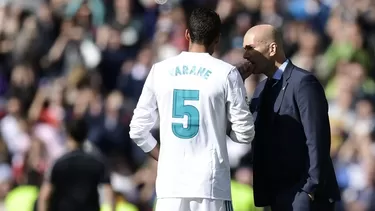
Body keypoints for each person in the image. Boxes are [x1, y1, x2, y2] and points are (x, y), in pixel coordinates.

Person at [129, 7, 255, 211]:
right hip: (211, 187)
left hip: (170, 187)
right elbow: (245, 135)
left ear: (187, 34)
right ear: (218, 38)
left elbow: (137, 130)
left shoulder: (159, 71)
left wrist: (166, 159)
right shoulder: (228, 74)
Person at [237, 24, 341, 211]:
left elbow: (317, 140)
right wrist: (236, 85)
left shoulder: (303, 83)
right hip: (275, 196)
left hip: (304, 197)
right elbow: (246, 129)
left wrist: (309, 189)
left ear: (272, 49)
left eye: (250, 48)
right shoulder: (261, 89)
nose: (245, 56)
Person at [37, 118, 115, 211]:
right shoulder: (98, 162)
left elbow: (44, 196)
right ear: (86, 135)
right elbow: (109, 195)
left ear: (68, 135)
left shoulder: (59, 163)